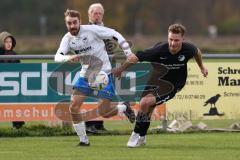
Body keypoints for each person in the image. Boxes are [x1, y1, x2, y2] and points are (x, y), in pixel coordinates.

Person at [112, 24, 208, 148]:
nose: (173, 43)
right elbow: (135, 57)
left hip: (173, 85)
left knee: (144, 103)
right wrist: (120, 69)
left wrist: (202, 67)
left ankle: (135, 134)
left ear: (183, 39)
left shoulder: (188, 49)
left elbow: (197, 52)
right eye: (170, 39)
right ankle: (142, 137)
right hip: (155, 81)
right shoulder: (159, 50)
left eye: (176, 40)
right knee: (147, 108)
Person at [54, 9, 135, 146]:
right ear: (66, 24)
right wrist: (69, 57)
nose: (72, 25)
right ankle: (83, 141)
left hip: (103, 74)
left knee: (105, 113)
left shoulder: (92, 30)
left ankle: (123, 108)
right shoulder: (67, 38)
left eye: (75, 22)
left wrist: (128, 52)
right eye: (69, 23)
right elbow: (57, 56)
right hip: (85, 76)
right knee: (73, 107)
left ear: (80, 22)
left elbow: (115, 34)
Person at [85, 3, 108, 134]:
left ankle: (98, 123)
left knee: (104, 96)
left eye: (100, 13)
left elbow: (109, 46)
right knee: (92, 97)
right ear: (89, 14)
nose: (98, 16)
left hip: (104, 67)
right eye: (95, 13)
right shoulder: (85, 29)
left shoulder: (105, 29)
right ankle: (89, 124)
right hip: (91, 67)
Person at [0, 31, 25, 129]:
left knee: (17, 100)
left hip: (13, 86)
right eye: (6, 42)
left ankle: (17, 125)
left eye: (10, 41)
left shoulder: (15, 55)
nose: (8, 44)